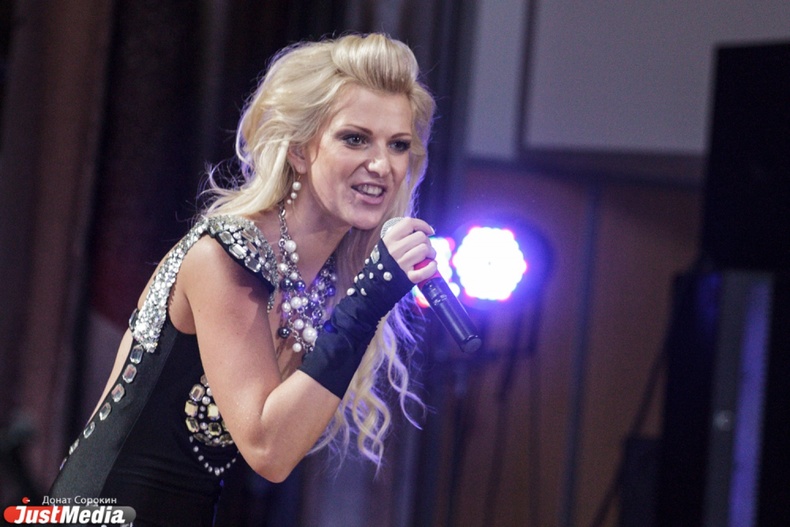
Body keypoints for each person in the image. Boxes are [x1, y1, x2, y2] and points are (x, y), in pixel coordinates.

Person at [48, 32, 437, 526]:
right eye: (355, 139)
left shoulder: (326, 278)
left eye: (398, 145)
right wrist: (368, 300)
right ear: (299, 150)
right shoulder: (226, 256)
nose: (381, 165)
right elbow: (268, 449)